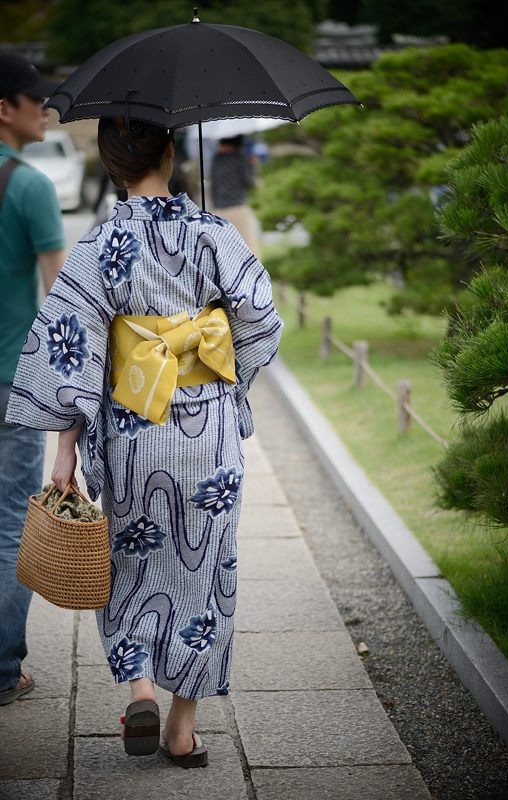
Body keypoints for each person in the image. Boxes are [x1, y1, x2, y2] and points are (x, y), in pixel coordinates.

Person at [6, 116, 283, 766]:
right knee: (206, 569)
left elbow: (70, 351)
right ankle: (183, 732)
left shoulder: (99, 242)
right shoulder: (216, 233)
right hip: (207, 431)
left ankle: (139, 688)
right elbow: (259, 318)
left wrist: (66, 448)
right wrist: (223, 374)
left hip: (134, 432)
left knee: (132, 561)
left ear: (109, 162)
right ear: (169, 149)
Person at [0, 53, 65, 706]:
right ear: (4, 108)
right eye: (34, 98)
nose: (45, 107)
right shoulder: (28, 185)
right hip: (8, 384)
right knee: (10, 524)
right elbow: (60, 303)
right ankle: (1, 669)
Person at [211, 135, 261, 257]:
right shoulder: (241, 157)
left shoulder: (216, 159)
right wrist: (253, 165)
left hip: (219, 209)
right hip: (238, 207)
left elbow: (214, 186)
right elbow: (249, 182)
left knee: (225, 252)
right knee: (249, 249)